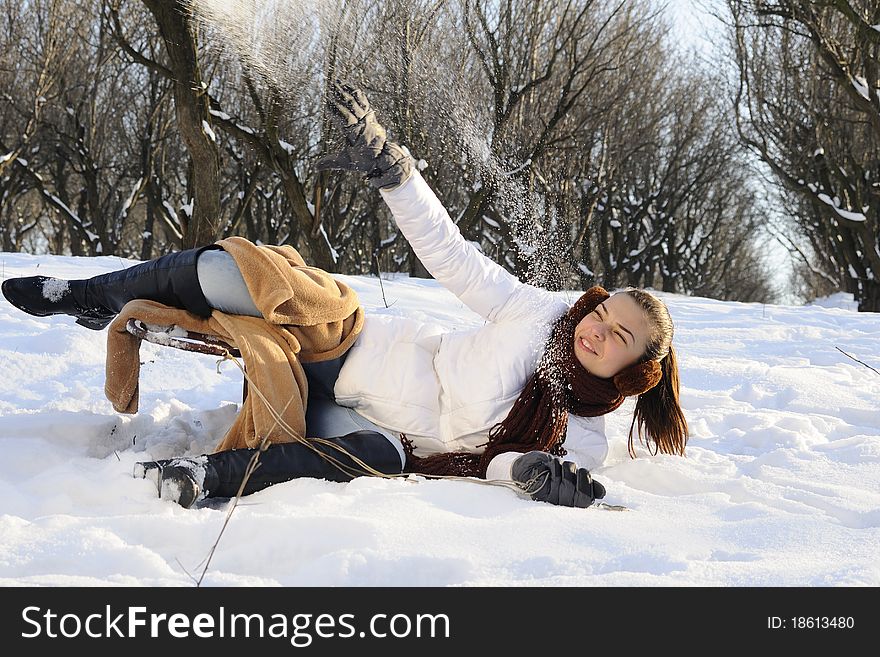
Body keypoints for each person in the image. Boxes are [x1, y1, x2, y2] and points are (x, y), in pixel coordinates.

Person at [1, 81, 688, 510]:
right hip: (349, 344)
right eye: (603, 313)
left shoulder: (587, 436)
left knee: (380, 459)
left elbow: (497, 464)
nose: (597, 330)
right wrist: (397, 173)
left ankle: (202, 476)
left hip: (372, 430)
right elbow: (452, 255)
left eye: (617, 335)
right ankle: (88, 294)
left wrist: (537, 472)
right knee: (226, 273)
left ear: (635, 372)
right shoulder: (537, 313)